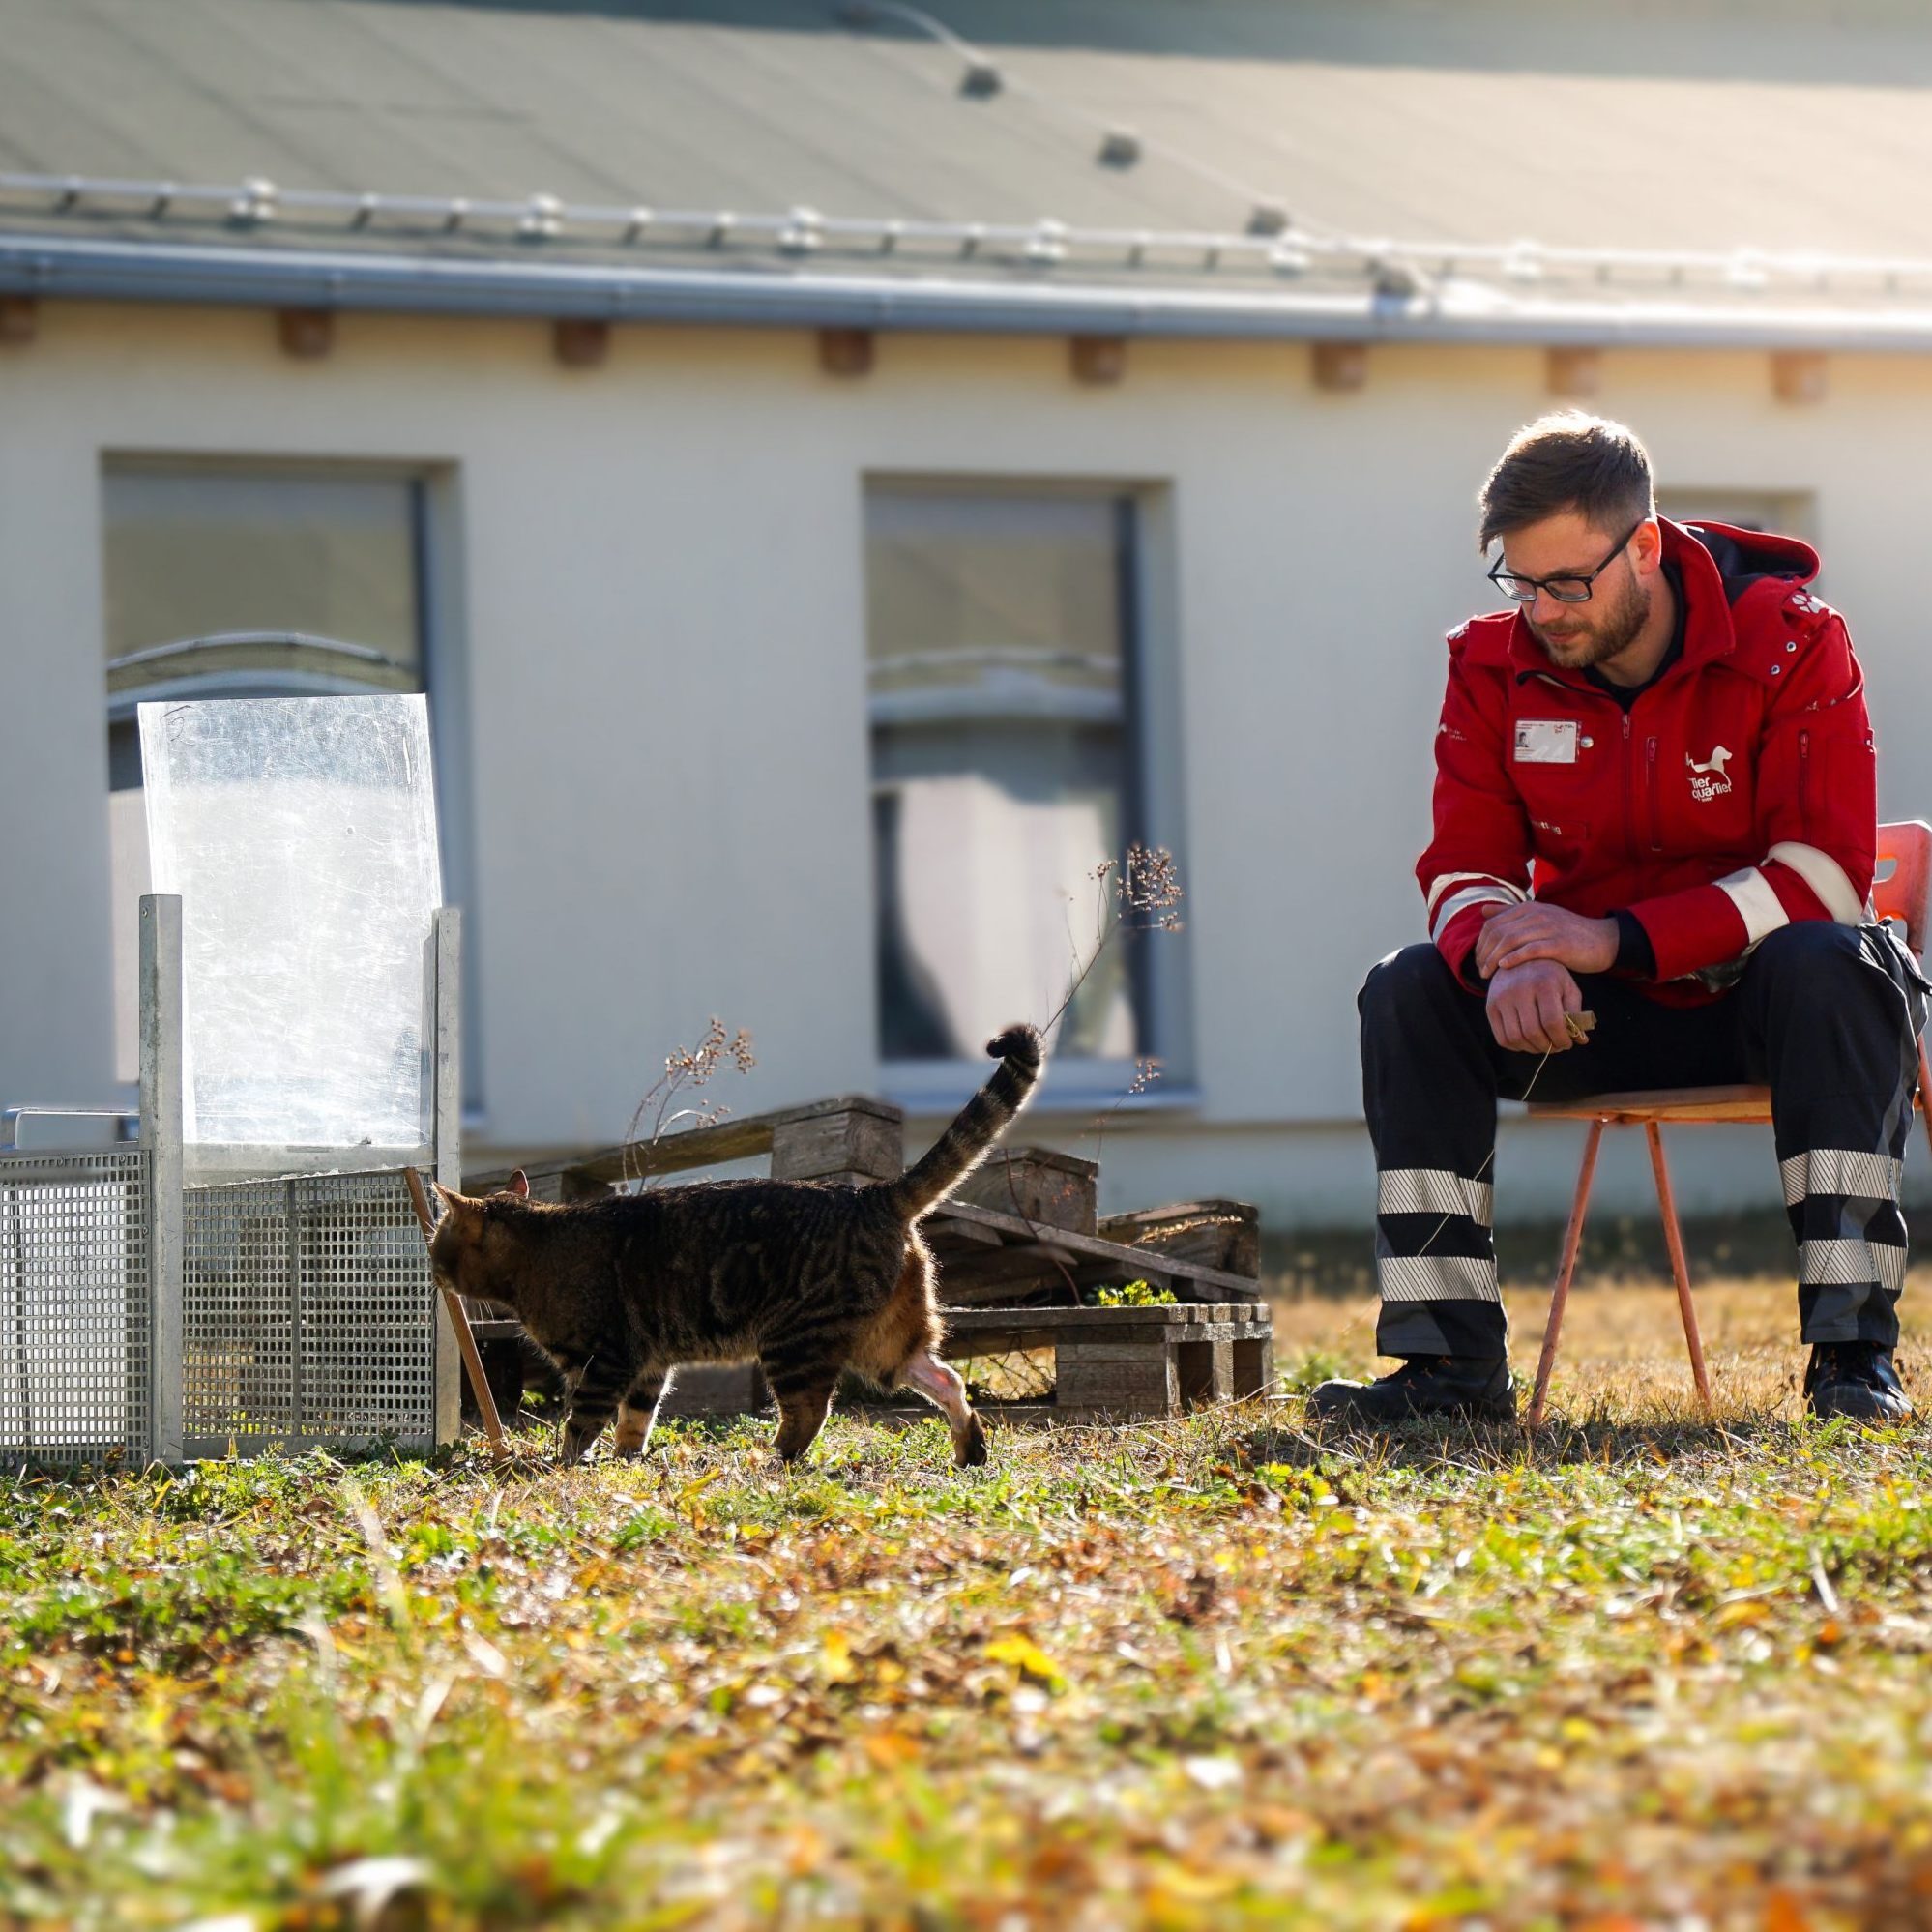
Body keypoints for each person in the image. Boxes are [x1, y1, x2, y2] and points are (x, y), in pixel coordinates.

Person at [1310, 412, 1927, 1425]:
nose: (1542, 612)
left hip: (1764, 1004)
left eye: (1569, 582)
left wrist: (1610, 939)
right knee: (1409, 987)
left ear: (1644, 544)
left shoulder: (1795, 642)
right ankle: (1449, 1373)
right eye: (1520, 581)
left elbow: (1824, 875)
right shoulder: (1490, 665)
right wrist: (1503, 958)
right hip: (1586, 1013)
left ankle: (1853, 1362)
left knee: (1838, 962)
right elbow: (1464, 864)